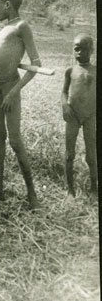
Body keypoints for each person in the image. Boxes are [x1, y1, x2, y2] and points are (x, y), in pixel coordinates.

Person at [0, 0, 40, 209]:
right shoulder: (5, 27)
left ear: (7, 5)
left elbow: (35, 66)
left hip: (9, 88)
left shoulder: (21, 26)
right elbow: (6, 52)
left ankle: (32, 195)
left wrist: (14, 92)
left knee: (14, 141)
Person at [61, 33, 97, 197]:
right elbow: (64, 92)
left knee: (92, 153)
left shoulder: (96, 71)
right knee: (70, 153)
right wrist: (65, 106)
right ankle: (70, 188)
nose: (80, 53)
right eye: (77, 49)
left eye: (85, 49)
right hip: (73, 116)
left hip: (90, 116)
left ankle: (94, 187)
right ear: (73, 50)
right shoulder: (70, 70)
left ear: (92, 50)